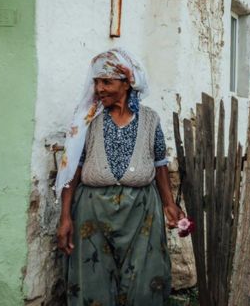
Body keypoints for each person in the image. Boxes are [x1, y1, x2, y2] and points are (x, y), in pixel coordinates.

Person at [54, 48, 184, 305]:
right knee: (92, 280)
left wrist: (169, 204)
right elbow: (72, 170)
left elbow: (160, 164)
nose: (99, 88)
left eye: (107, 82)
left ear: (127, 83)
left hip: (141, 211)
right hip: (92, 210)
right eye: (96, 82)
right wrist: (65, 217)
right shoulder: (87, 121)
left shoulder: (150, 119)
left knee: (144, 280)